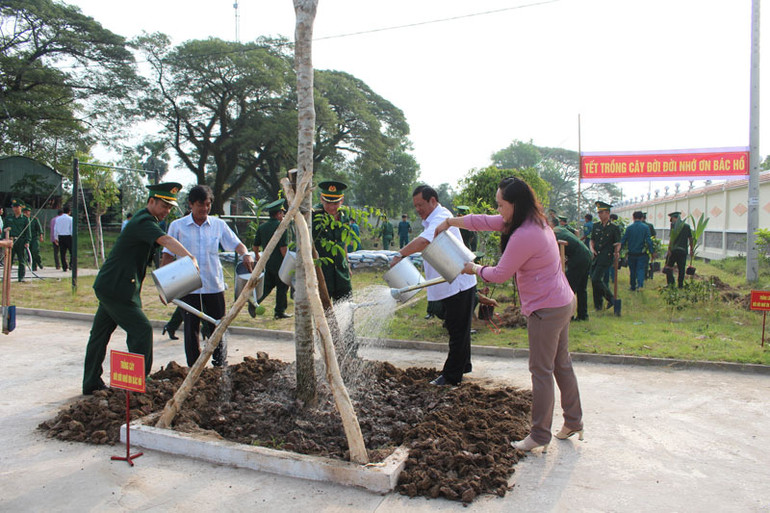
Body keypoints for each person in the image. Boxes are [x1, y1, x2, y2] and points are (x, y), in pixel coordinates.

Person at [436, 176, 582, 452]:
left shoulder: (525, 234)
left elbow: (500, 275)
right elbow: (483, 221)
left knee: (541, 370)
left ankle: (539, 435)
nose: (498, 209)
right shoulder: (533, 221)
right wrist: (452, 222)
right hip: (562, 301)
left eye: (501, 204)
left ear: (515, 204)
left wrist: (473, 269)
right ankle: (574, 420)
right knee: (561, 363)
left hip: (546, 310)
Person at [82, 183, 196, 395]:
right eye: (163, 205)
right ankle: (140, 383)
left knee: (99, 334)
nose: (166, 211)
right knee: (141, 330)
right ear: (151, 201)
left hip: (114, 285)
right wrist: (189, 256)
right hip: (117, 289)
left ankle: (90, 382)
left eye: (170, 208)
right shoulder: (144, 220)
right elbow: (166, 240)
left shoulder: (145, 221)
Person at [391, 185, 476, 386]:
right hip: (450, 281)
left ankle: (451, 377)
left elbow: (423, 242)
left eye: (420, 204)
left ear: (433, 201)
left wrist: (400, 253)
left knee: (457, 331)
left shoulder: (442, 216)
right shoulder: (432, 219)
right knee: (459, 328)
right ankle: (464, 365)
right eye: (415, 206)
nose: (418, 209)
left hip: (459, 283)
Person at [162, 185, 254, 367]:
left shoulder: (218, 225)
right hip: (188, 285)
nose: (204, 209)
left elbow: (237, 244)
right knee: (191, 329)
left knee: (218, 327)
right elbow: (167, 255)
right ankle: (195, 368)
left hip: (213, 284)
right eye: (200, 205)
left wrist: (245, 254)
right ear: (190, 204)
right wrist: (164, 286)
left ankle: (220, 364)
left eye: (207, 204)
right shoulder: (177, 226)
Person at [312, 181, 352, 301]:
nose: (331, 207)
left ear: (342, 200)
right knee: (323, 308)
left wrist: (347, 263)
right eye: (327, 203)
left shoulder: (345, 215)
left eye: (335, 203)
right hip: (322, 271)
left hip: (341, 269)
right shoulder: (313, 216)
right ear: (321, 199)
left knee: (346, 305)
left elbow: (343, 242)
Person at [252, 198, 291, 319]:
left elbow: (255, 245)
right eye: (282, 213)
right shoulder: (281, 227)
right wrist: (288, 262)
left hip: (268, 262)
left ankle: (254, 303)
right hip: (280, 262)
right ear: (279, 213)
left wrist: (258, 256)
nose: (283, 215)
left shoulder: (262, 227)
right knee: (282, 287)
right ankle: (279, 312)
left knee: (267, 286)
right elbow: (283, 248)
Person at [551, 217, 591, 321]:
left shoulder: (553, 235)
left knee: (568, 287)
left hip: (578, 257)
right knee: (582, 288)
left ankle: (569, 315)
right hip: (586, 254)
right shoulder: (560, 229)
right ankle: (583, 315)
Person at [589, 201, 621, 311]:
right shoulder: (596, 226)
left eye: (601, 212)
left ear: (607, 213)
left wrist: (617, 253)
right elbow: (592, 240)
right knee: (594, 281)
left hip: (606, 256)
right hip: (596, 256)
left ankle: (611, 298)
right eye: (598, 213)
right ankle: (598, 305)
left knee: (595, 279)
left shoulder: (614, 227)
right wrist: (592, 249)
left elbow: (617, 243)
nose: (599, 215)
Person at [621, 211, 655, 291]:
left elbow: (624, 240)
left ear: (633, 217)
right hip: (641, 253)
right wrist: (652, 251)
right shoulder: (645, 227)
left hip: (631, 253)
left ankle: (632, 286)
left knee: (632, 270)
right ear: (642, 218)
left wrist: (619, 250)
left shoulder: (629, 228)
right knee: (640, 269)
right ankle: (640, 285)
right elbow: (648, 241)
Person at [664, 211, 694, 288]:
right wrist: (691, 249)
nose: (671, 221)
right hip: (683, 251)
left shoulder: (674, 226)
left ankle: (671, 283)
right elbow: (690, 238)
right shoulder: (686, 226)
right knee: (681, 269)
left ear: (676, 218)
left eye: (672, 219)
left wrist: (669, 250)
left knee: (669, 266)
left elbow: (672, 239)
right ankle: (680, 285)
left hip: (674, 251)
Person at [6, 200, 30, 282]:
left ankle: (21, 277)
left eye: (17, 207)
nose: (15, 209)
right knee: (9, 260)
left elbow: (27, 231)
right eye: (14, 207)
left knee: (21, 260)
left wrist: (27, 241)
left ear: (20, 208)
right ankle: (7, 277)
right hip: (10, 241)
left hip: (21, 241)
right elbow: (4, 229)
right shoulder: (9, 218)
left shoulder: (25, 218)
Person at [23, 205, 44, 271]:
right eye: (25, 212)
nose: (26, 213)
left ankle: (39, 262)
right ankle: (34, 266)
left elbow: (39, 229)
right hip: (26, 238)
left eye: (28, 211)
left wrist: (41, 236)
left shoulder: (34, 219)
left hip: (34, 238)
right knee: (29, 253)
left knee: (35, 251)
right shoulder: (22, 219)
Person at [53, 204, 73, 272]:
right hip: (69, 236)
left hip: (61, 236)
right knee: (72, 252)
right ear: (69, 211)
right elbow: (72, 229)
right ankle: (71, 265)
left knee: (62, 253)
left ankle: (64, 266)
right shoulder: (70, 219)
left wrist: (56, 238)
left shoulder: (58, 219)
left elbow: (55, 229)